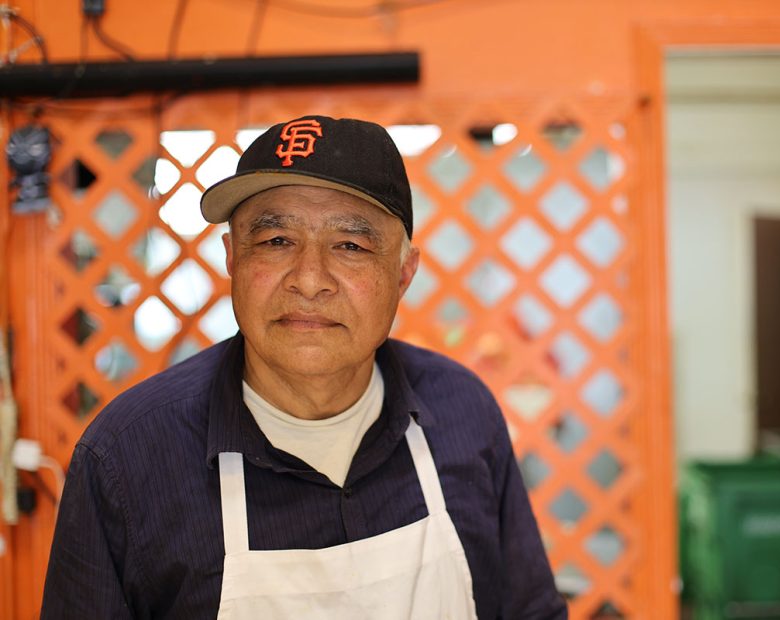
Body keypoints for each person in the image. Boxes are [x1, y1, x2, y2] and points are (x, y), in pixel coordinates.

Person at [41, 114, 567, 619]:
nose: (310, 278)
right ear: (232, 260)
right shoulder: (128, 457)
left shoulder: (462, 412)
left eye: (350, 244)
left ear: (404, 274)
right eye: (276, 241)